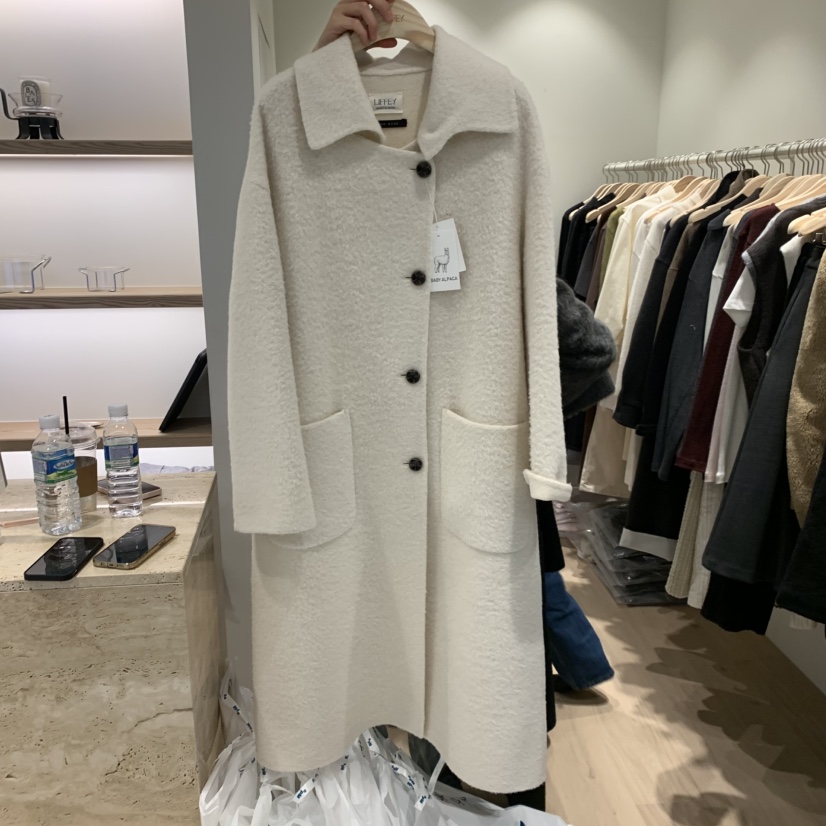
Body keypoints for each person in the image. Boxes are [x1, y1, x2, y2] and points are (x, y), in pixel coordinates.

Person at [307, 4, 615, 804]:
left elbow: (567, 338)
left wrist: (532, 452)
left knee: (482, 708)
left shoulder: (502, 117)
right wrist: (322, 92)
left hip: (477, 485)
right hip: (356, 483)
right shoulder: (294, 125)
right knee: (369, 697)